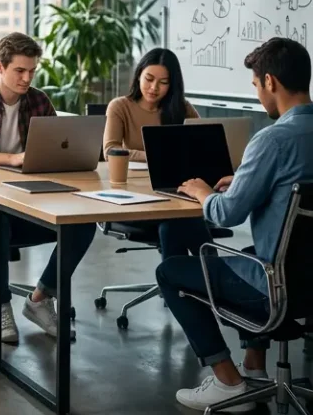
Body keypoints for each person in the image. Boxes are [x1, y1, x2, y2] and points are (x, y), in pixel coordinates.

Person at [158, 37, 313, 412]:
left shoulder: (273, 139)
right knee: (245, 254)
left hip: (275, 287)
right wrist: (241, 180)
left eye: (256, 85)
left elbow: (227, 215)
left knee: (171, 271)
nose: (259, 94)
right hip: (309, 280)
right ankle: (254, 369)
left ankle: (229, 383)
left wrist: (203, 193)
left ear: (270, 82)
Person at [0, 32, 96, 346]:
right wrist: (12, 159)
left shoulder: (39, 100)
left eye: (32, 71)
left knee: (82, 224)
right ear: (0, 67)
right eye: (20, 71)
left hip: (25, 195)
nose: (27, 78)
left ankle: (40, 298)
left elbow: (59, 144)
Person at [102, 48, 212, 260]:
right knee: (177, 222)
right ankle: (190, 284)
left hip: (176, 191)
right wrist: (158, 155)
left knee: (179, 220)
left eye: (163, 82)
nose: (154, 88)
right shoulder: (120, 107)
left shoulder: (182, 108)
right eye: (149, 79)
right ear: (139, 75)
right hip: (136, 195)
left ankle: (201, 282)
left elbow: (204, 144)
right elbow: (111, 150)